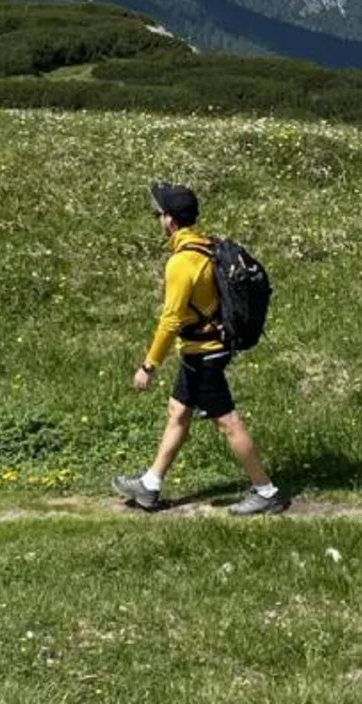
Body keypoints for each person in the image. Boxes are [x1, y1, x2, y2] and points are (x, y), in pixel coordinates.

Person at [113, 182, 286, 516]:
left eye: (159, 214)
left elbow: (171, 320)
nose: (158, 219)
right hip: (205, 349)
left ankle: (266, 491)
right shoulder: (207, 246)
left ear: (171, 220)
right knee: (178, 413)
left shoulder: (181, 262)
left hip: (204, 354)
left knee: (228, 423)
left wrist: (148, 366)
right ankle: (150, 486)